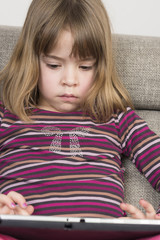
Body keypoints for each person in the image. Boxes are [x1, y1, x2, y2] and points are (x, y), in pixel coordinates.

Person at [0, 0, 160, 222]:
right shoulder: (7, 114)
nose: (69, 81)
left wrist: (154, 222)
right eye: (54, 65)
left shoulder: (117, 117)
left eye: (85, 67)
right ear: (30, 60)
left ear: (100, 65)